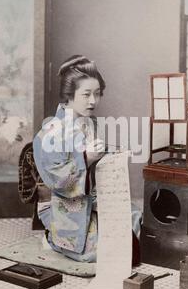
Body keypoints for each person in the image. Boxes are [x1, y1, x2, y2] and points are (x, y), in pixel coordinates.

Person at [33, 55, 142, 263]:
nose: (93, 101)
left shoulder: (89, 122)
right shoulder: (50, 132)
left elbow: (97, 156)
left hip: (90, 196)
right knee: (98, 250)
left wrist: (113, 154)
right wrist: (86, 158)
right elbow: (56, 181)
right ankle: (52, 237)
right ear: (69, 95)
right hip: (64, 203)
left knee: (132, 217)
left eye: (97, 94)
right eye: (86, 94)